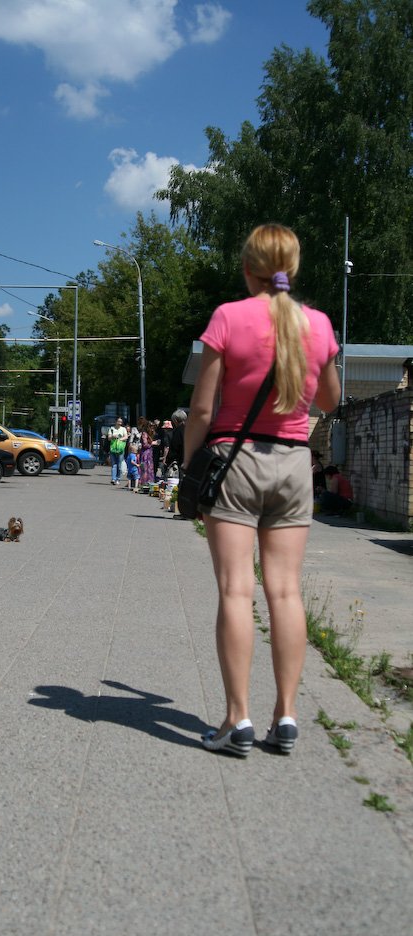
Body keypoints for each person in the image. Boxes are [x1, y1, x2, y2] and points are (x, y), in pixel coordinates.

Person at [183, 223, 340, 757]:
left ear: (248, 268)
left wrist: (190, 470)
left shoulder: (229, 317)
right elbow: (330, 402)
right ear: (291, 268)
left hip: (236, 461)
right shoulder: (318, 324)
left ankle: (237, 720)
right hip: (294, 465)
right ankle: (287, 716)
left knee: (235, 590)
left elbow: (201, 409)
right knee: (285, 592)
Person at [107, 417, 128, 485]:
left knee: (119, 465)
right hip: (113, 449)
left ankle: (118, 478)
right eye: (118, 421)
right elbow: (109, 438)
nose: (119, 423)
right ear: (116, 422)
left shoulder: (123, 429)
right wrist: (113, 436)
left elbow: (126, 437)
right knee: (113, 465)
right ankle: (113, 479)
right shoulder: (112, 428)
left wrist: (120, 439)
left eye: (121, 422)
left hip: (120, 449)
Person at [138, 419, 155, 486]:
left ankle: (149, 482)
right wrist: (153, 443)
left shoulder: (150, 434)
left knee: (149, 468)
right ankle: (143, 482)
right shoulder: (144, 434)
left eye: (153, 427)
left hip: (149, 453)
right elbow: (145, 444)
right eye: (151, 427)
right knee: (144, 468)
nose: (152, 429)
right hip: (145, 453)